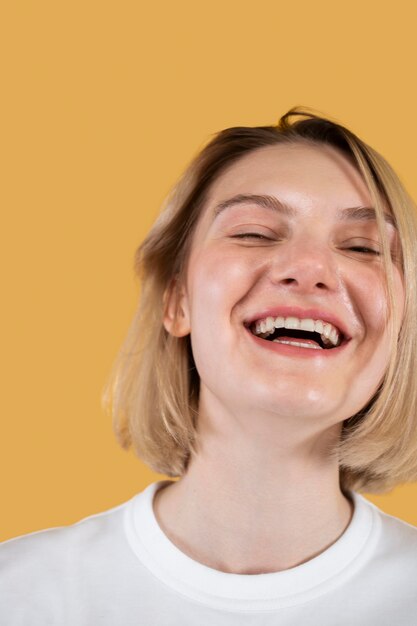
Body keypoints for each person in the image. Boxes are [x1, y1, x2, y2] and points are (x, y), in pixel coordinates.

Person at [2, 108, 417, 624]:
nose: (311, 269)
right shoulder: (19, 594)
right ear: (177, 300)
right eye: (254, 234)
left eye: (363, 247)